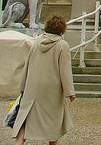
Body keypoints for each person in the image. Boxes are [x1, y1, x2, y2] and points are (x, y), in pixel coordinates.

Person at [13, 14, 76, 145]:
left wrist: (23, 85)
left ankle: (19, 143)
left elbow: (27, 64)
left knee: (26, 120)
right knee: (53, 122)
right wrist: (70, 92)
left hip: (33, 87)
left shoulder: (36, 42)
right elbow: (65, 71)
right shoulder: (62, 45)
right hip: (51, 90)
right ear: (62, 29)